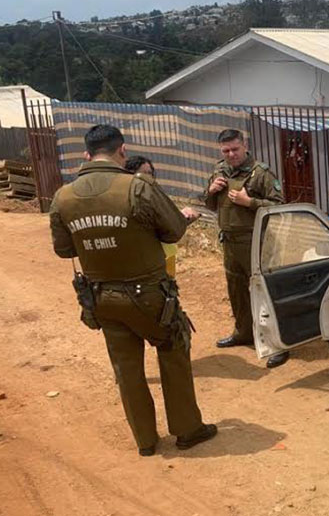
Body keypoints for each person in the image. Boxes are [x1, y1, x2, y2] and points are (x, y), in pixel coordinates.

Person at [50, 125, 217, 457]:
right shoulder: (138, 186)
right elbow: (173, 230)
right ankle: (186, 429)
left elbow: (64, 249)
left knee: (126, 369)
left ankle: (145, 440)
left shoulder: (63, 196)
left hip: (100, 298)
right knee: (172, 350)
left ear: (86, 155)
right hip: (150, 296)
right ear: (121, 150)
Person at [203, 129, 287, 368]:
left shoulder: (260, 173)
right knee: (237, 290)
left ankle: (277, 343)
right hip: (229, 241)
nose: (231, 155)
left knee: (264, 293)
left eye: (235, 149)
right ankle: (243, 333)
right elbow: (209, 204)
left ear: (245, 145)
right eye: (226, 151)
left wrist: (249, 202)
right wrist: (211, 191)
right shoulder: (219, 170)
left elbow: (279, 205)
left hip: (256, 243)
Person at [125, 156, 201, 278]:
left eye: (150, 173)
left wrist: (181, 216)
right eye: (142, 174)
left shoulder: (153, 194)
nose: (148, 177)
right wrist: (182, 219)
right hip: (148, 260)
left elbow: (165, 220)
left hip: (165, 254)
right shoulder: (134, 199)